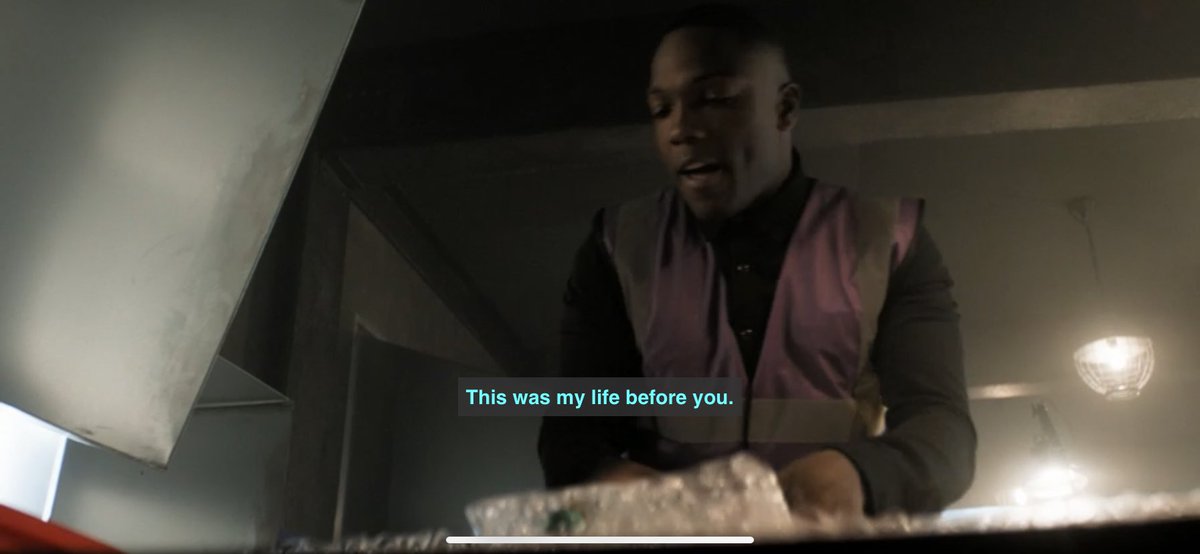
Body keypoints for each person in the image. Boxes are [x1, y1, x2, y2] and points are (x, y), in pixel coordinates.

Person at [537, 3, 976, 519]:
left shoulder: (889, 239)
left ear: (785, 109)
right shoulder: (616, 247)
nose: (680, 129)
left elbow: (944, 433)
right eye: (661, 109)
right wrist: (608, 480)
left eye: (713, 98)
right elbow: (571, 430)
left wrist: (860, 475)